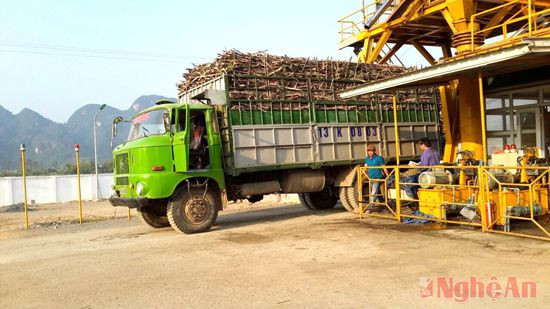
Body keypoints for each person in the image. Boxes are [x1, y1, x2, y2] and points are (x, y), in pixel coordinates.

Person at [364, 144, 389, 211]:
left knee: (374, 192)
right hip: (371, 178)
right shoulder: (366, 159)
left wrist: (388, 176)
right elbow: (365, 167)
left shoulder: (379, 158)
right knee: (377, 191)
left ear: (374, 151)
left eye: (371, 151)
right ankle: (383, 204)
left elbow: (384, 167)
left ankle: (370, 207)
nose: (370, 152)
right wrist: (361, 174)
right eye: (369, 151)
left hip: (378, 177)